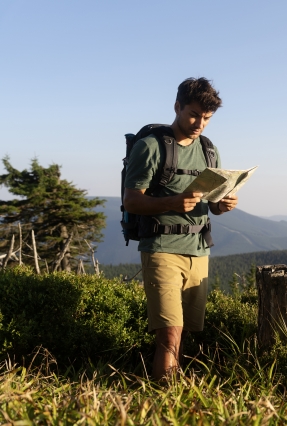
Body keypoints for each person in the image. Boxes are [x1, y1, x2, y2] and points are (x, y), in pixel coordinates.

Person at [123, 77, 238, 381]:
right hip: (161, 249)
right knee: (169, 334)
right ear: (177, 107)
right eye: (194, 114)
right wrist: (173, 202)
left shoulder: (209, 151)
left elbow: (211, 203)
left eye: (207, 118)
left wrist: (221, 205)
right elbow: (131, 200)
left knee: (183, 332)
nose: (200, 123)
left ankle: (177, 395)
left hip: (199, 251)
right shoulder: (151, 147)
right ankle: (162, 400)